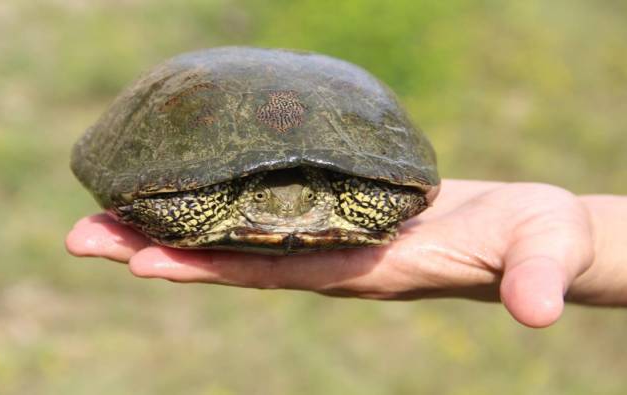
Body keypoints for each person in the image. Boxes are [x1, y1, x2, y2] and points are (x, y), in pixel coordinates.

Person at [65, 180, 626, 328]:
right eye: (266, 199)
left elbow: (398, 196)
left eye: (300, 199)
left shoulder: (354, 200)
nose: (284, 208)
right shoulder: (214, 202)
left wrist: (595, 237)